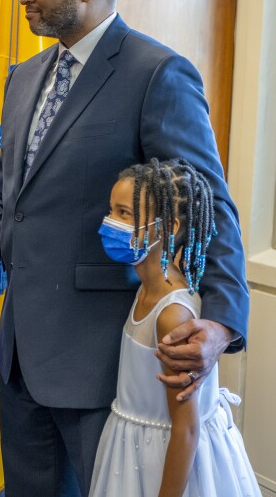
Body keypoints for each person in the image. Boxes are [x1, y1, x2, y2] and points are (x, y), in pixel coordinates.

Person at [0, 0, 249, 495]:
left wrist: (224, 320)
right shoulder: (22, 77)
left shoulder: (156, 73)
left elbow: (210, 202)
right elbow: (9, 207)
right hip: (19, 356)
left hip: (106, 360)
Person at [89, 158, 259, 496]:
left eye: (124, 214)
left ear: (167, 228)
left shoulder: (172, 315)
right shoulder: (145, 288)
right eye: (111, 210)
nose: (110, 223)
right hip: (132, 446)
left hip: (163, 458)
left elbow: (186, 429)